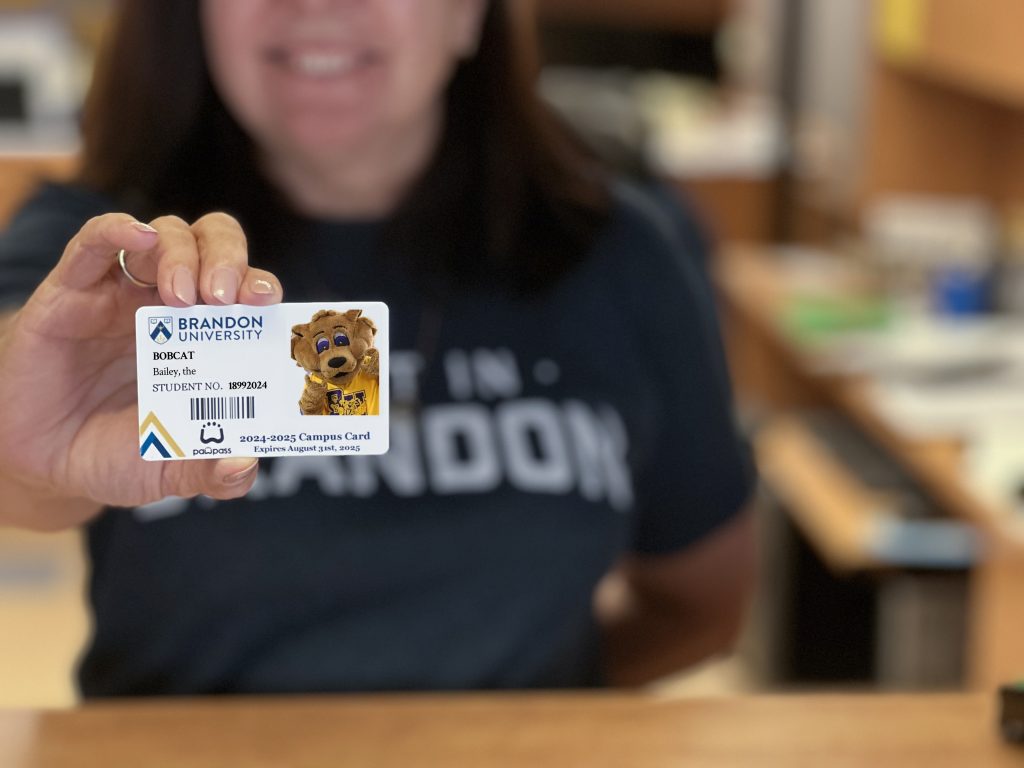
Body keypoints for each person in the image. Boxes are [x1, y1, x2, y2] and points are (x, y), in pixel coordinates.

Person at [0, 0, 756, 696]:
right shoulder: (103, 259)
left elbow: (702, 607)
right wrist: (33, 446)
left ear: (468, 17)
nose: (317, 7)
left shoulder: (618, 253)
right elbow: (19, 464)